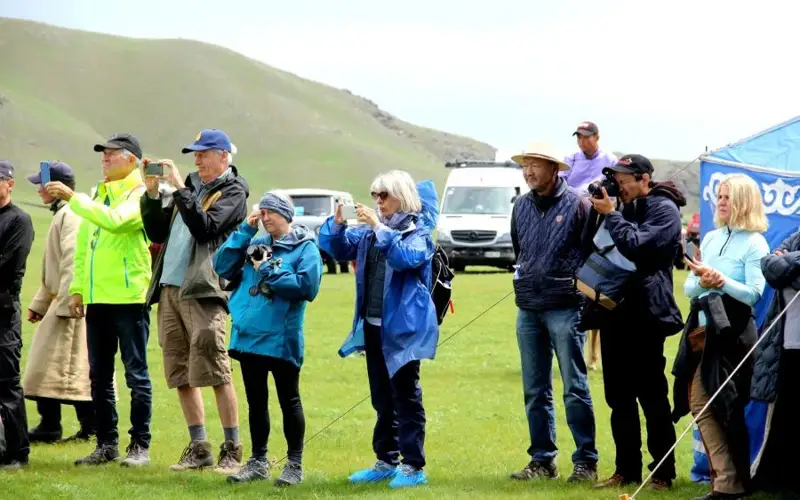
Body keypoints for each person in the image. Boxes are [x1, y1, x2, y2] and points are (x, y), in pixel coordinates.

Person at [318, 170, 439, 489]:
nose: (377, 201)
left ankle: (414, 465)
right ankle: (386, 460)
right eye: (374, 195)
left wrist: (378, 226)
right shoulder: (370, 233)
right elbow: (337, 249)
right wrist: (338, 224)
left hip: (403, 329)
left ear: (403, 197)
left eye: (383, 195)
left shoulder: (418, 233)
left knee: (406, 396)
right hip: (372, 326)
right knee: (382, 398)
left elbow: (403, 258)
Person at [140, 129, 248, 474]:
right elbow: (158, 233)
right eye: (194, 154)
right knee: (180, 371)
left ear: (223, 157)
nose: (196, 159)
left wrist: (182, 190)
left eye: (203, 153)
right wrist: (154, 194)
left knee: (215, 368)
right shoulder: (189, 188)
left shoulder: (233, 192)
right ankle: (198, 447)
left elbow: (205, 228)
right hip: (170, 288)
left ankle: (232, 449)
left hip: (204, 289)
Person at [46, 133, 153, 467]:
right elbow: (83, 245)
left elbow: (117, 223)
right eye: (103, 155)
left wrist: (72, 198)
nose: (104, 159)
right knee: (99, 375)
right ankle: (106, 444)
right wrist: (78, 287)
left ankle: (139, 445)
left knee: (136, 373)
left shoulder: (141, 194)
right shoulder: (98, 194)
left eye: (112, 154)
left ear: (132, 159)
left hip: (129, 296)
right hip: (97, 298)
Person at [586, 154, 685, 490]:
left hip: (646, 315)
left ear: (644, 178)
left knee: (652, 396)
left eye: (623, 179)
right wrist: (604, 210)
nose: (619, 185)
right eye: (615, 179)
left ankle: (663, 473)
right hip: (615, 312)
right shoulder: (623, 209)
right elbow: (596, 247)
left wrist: (612, 215)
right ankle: (626, 471)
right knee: (619, 397)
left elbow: (637, 246)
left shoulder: (664, 209)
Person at [213, 191, 322, 486]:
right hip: (249, 337)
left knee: (290, 400)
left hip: (281, 338)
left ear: (286, 214)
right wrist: (244, 232)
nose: (266, 218)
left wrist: (269, 267)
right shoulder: (256, 242)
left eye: (271, 212)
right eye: (262, 213)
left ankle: (294, 465)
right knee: (256, 402)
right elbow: (221, 266)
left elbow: (306, 288)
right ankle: (258, 461)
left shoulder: (306, 248)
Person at [672, 174, 769, 500]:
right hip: (701, 330)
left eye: (728, 197)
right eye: (720, 196)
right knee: (699, 401)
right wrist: (705, 280)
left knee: (726, 407)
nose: (721, 201)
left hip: (733, 334)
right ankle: (727, 482)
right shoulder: (711, 238)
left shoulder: (755, 242)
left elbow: (754, 293)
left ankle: (732, 483)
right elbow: (688, 287)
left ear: (743, 201)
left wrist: (720, 280)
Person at [505, 142, 598, 483]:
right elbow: (521, 250)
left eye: (535, 165)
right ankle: (542, 461)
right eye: (524, 166)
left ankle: (585, 461)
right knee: (534, 388)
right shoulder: (520, 207)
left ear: (553, 168)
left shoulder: (578, 204)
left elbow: (592, 254)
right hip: (528, 307)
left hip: (566, 307)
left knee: (574, 386)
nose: (528, 172)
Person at [23, 161, 95, 444]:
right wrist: (40, 304)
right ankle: (50, 424)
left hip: (72, 305)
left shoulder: (73, 214)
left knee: (76, 370)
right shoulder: (64, 212)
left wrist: (66, 304)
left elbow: (72, 260)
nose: (39, 189)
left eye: (42, 184)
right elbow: (53, 268)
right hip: (62, 300)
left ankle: (87, 426)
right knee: (48, 366)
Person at [562, 121, 618, 372]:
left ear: (597, 137)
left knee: (597, 288)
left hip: (598, 223)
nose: (582, 142)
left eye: (587, 137)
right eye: (579, 138)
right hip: (573, 219)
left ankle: (597, 352)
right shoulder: (570, 159)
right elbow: (562, 187)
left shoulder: (610, 160)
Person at [749, 231, 800, 496]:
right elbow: (770, 269)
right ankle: (781, 480)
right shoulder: (796, 237)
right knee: (784, 415)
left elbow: (786, 272)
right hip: (787, 343)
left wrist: (787, 262)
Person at [0, 160, 34, 470]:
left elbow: (9, 265)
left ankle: (16, 453)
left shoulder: (18, 221)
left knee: (7, 384)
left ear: (10, 183)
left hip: (3, 313)